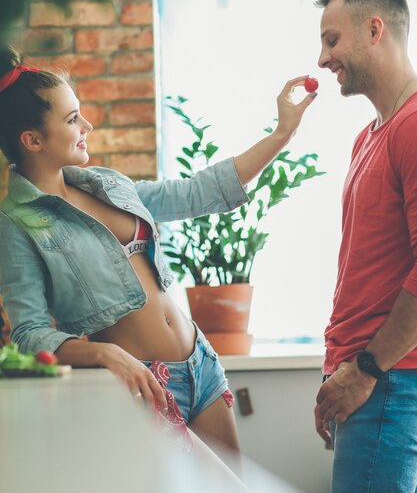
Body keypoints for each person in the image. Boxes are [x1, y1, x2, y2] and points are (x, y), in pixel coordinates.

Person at [0, 46, 316, 466]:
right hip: (142, 384)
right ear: (33, 139)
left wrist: (281, 135)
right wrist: (105, 353)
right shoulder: (17, 223)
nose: (87, 125)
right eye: (72, 119)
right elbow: (30, 333)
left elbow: (196, 193)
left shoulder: (106, 183)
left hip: (199, 363)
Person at [314, 0, 417, 493]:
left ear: (373, 30)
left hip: (391, 378)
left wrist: (367, 369)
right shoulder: (370, 136)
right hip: (378, 378)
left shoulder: (412, 126)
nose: (322, 57)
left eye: (332, 39)